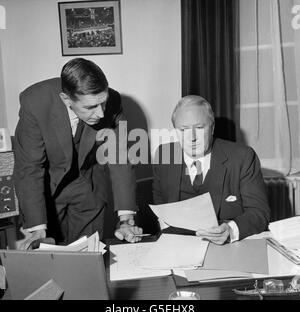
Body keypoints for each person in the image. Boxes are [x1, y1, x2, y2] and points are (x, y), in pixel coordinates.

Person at [14, 58, 142, 249]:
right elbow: (29, 168)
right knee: (50, 261)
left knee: (87, 260)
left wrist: (126, 220)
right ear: (66, 99)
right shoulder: (35, 102)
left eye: (103, 103)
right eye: (90, 107)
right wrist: (37, 228)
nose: (100, 113)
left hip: (88, 189)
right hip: (47, 191)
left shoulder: (113, 101)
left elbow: (120, 158)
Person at [152, 95, 270, 244]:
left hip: (227, 248)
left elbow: (259, 213)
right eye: (184, 129)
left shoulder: (242, 157)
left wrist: (230, 230)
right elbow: (160, 202)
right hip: (177, 246)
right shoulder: (164, 155)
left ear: (212, 128)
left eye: (200, 128)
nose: (192, 137)